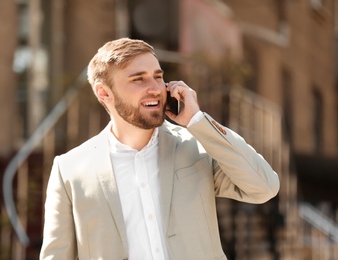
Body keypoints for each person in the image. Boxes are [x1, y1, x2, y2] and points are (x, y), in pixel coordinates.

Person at [40, 38, 280, 260]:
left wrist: (198, 121)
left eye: (158, 76)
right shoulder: (69, 170)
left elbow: (264, 187)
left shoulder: (195, 146)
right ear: (104, 93)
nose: (155, 88)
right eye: (139, 79)